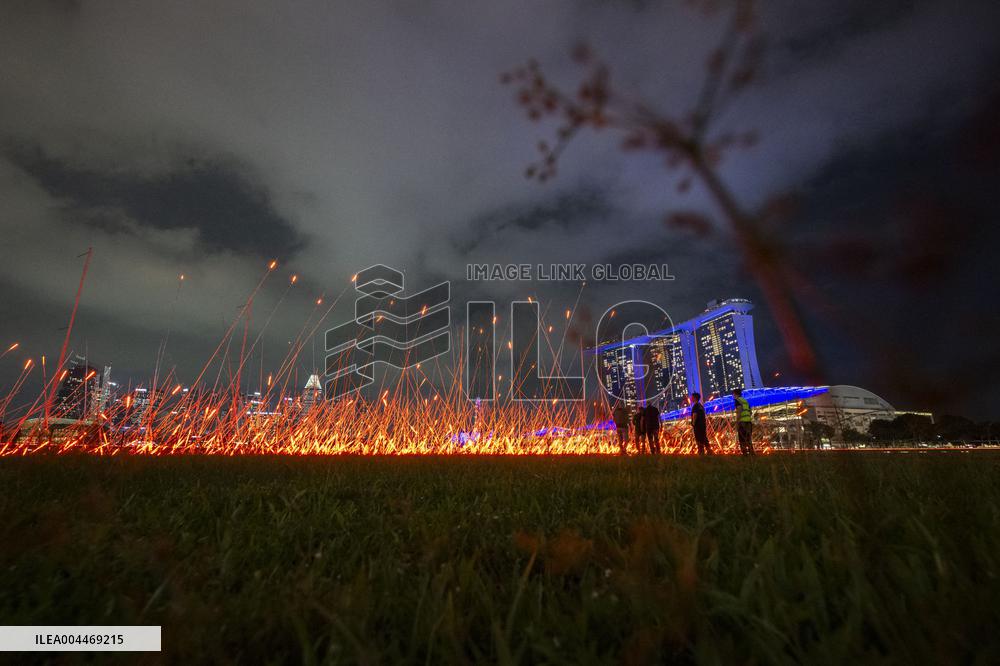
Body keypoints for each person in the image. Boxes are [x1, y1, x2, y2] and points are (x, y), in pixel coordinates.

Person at [733, 389, 754, 456]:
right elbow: (750, 412)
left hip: (742, 422)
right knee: (748, 438)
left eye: (733, 394)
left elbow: (739, 410)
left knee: (742, 439)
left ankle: (744, 454)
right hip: (748, 422)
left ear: (735, 394)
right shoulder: (745, 401)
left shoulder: (737, 400)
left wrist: (737, 422)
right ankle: (751, 453)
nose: (733, 396)